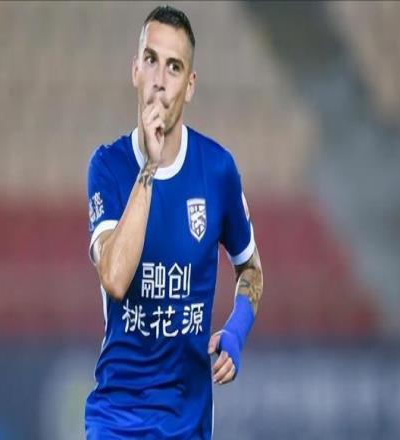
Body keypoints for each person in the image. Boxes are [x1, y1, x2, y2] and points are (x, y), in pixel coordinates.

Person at [85, 5, 263, 439]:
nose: (160, 80)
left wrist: (237, 330)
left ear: (190, 85)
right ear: (134, 70)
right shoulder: (108, 167)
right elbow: (115, 278)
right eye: (151, 60)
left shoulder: (217, 170)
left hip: (188, 420)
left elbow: (251, 269)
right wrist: (150, 166)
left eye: (174, 66)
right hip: (117, 418)